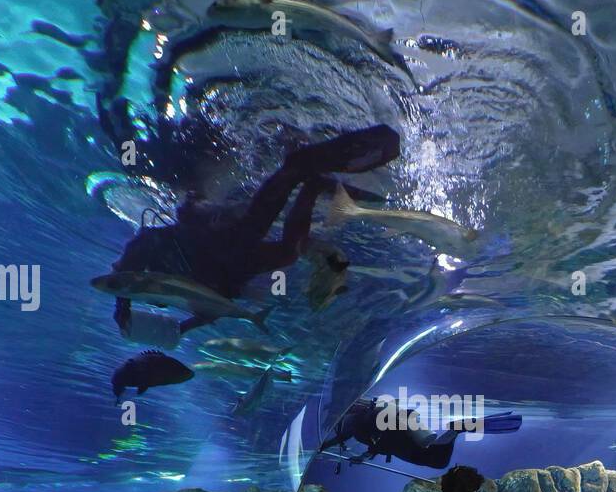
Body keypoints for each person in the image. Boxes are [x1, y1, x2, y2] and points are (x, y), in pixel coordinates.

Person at [111, 124, 401, 334]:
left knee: (293, 169)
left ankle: (349, 152)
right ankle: (313, 186)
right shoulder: (184, 295)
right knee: (287, 253)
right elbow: (211, 309)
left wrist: (121, 305)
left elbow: (127, 265)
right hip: (238, 255)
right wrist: (182, 329)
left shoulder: (152, 256)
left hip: (226, 237)